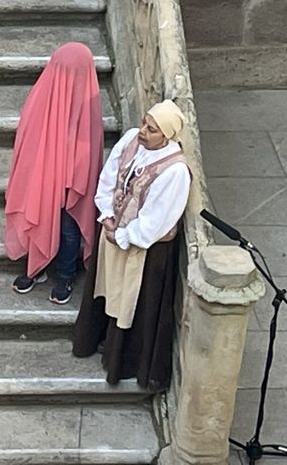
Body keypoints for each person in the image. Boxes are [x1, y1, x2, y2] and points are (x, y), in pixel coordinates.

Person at [72, 100, 192, 388]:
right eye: (144, 123)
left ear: (166, 135)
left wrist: (125, 236)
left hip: (143, 251)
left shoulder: (175, 172)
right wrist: (108, 215)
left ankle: (120, 359)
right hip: (113, 232)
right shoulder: (130, 140)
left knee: (129, 301)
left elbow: (158, 219)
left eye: (152, 129)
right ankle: (95, 336)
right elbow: (109, 178)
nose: (143, 131)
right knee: (107, 288)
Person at [4, 43, 105, 305]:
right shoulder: (42, 95)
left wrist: (72, 177)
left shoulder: (89, 102)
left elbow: (89, 147)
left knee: (69, 225)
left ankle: (65, 275)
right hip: (43, 174)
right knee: (38, 213)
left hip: (72, 177)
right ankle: (35, 268)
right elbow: (28, 137)